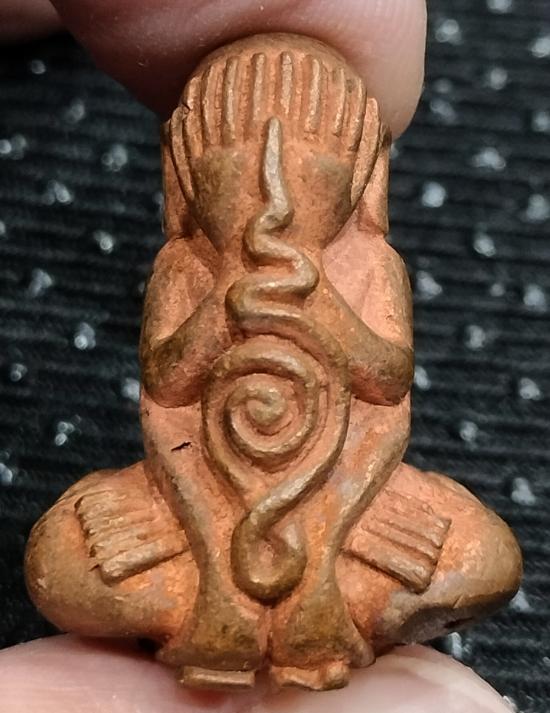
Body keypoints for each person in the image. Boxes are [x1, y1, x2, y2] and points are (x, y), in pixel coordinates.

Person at [0, 1, 515, 711]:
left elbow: (387, 379)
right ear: (183, 177)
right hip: (193, 502)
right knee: (60, 556)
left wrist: (326, 313)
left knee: (482, 557)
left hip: (350, 498)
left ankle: (323, 594)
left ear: (364, 177)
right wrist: (219, 308)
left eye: (314, 163)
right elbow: (168, 384)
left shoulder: (368, 264)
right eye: (232, 161)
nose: (273, 190)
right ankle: (217, 605)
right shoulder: (186, 266)